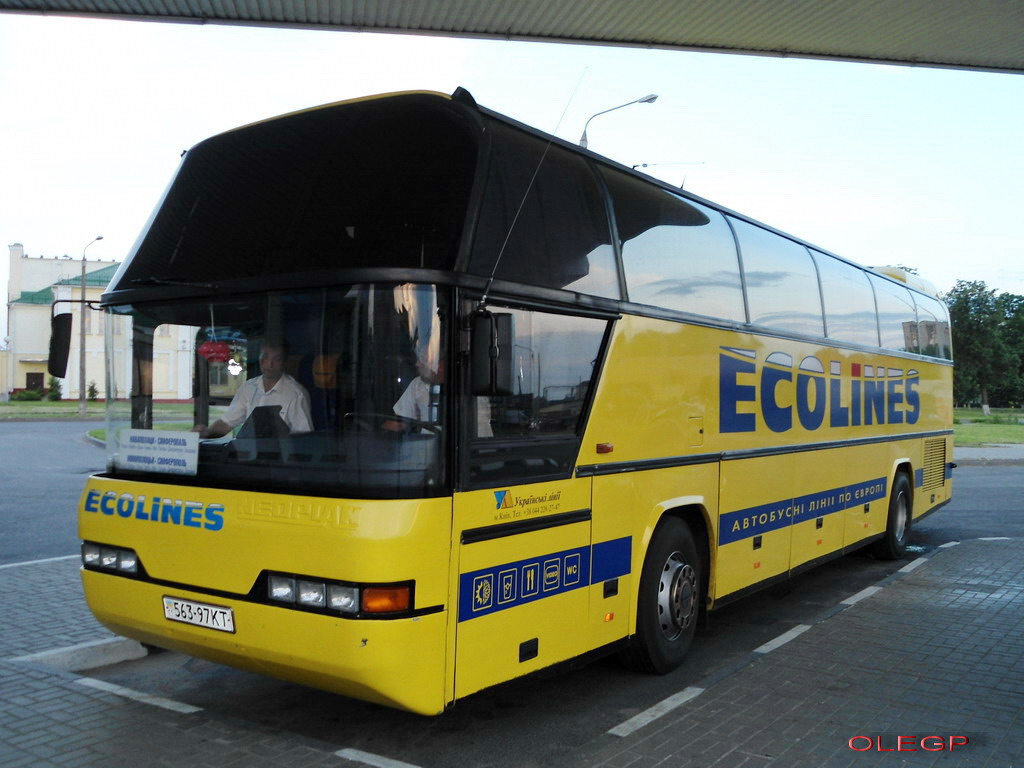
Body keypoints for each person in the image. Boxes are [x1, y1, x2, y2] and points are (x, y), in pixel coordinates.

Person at [193, 340, 313, 439]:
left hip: (280, 459)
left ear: (284, 363)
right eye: (265, 358)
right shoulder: (248, 387)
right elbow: (227, 422)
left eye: (276, 359)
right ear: (260, 360)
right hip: (250, 455)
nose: (269, 365)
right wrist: (204, 433)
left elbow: (304, 437)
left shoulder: (296, 394)